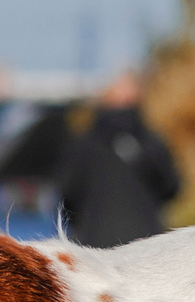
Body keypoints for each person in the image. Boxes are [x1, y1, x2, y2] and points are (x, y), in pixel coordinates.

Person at [55, 70, 181, 247]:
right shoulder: (152, 142)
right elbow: (172, 188)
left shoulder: (84, 143)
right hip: (145, 243)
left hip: (93, 244)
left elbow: (66, 194)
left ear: (105, 97)